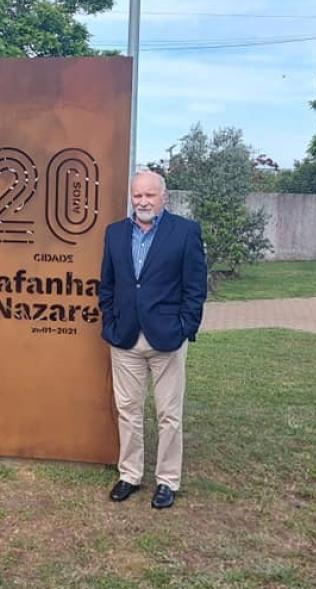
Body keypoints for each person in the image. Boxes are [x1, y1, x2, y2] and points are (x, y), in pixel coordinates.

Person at [99, 170, 207, 509]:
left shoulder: (185, 232)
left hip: (167, 339)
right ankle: (130, 474)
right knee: (128, 411)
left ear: (164, 197)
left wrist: (184, 327)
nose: (143, 202)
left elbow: (195, 288)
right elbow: (107, 284)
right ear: (131, 197)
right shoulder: (115, 233)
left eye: (150, 195)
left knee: (168, 414)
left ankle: (167, 480)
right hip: (125, 338)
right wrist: (110, 321)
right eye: (138, 195)